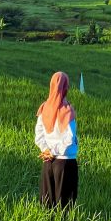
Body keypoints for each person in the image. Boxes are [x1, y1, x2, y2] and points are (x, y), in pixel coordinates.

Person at [35, 71, 78, 209]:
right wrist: (54, 151)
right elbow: (69, 138)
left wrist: (46, 150)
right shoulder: (67, 111)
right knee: (65, 206)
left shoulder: (44, 108)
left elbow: (39, 135)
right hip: (65, 162)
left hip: (48, 160)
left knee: (47, 203)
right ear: (65, 88)